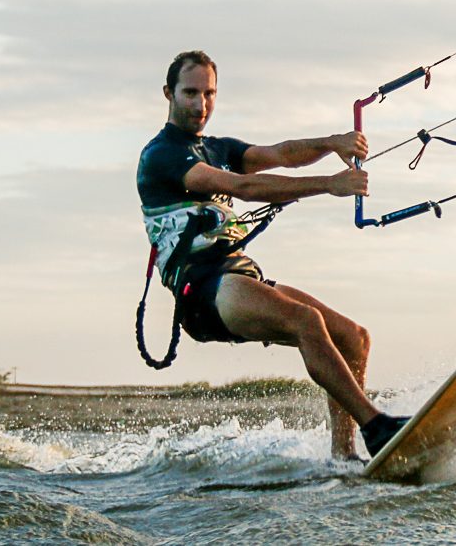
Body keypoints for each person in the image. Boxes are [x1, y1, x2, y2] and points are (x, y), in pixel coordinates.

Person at [136, 50, 405, 460]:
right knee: (306, 322)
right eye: (190, 93)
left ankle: (344, 458)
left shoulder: (217, 147)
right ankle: (377, 426)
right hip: (202, 289)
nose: (200, 104)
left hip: (239, 274)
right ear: (168, 94)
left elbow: (281, 153)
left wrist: (331, 142)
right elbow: (242, 188)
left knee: (354, 339)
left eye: (209, 93)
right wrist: (329, 184)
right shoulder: (162, 156)